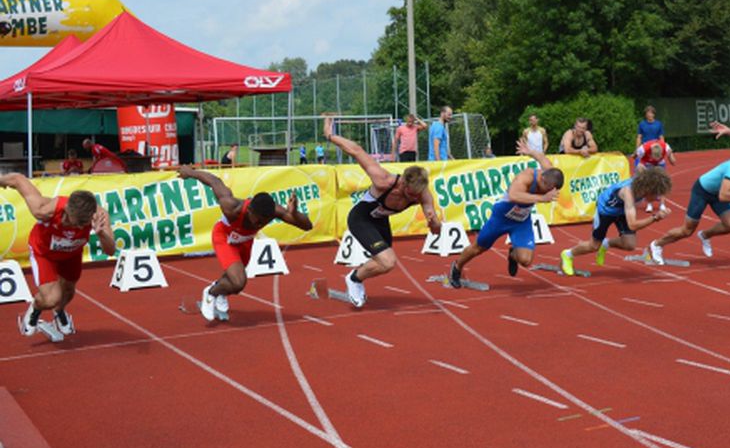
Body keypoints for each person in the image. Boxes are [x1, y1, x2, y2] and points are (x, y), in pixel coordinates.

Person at [325, 116, 442, 308]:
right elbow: (356, 150)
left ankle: (358, 275)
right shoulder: (383, 180)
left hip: (380, 223)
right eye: (411, 195)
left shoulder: (422, 194)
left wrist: (434, 223)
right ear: (403, 183)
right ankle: (354, 279)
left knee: (382, 264)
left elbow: (437, 231)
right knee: (388, 261)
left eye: (417, 196)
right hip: (361, 218)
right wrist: (330, 136)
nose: (414, 199)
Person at [176, 166, 312, 321]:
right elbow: (215, 181)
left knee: (233, 279)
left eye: (265, 221)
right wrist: (191, 173)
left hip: (245, 242)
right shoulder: (232, 206)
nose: (260, 223)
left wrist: (294, 213)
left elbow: (307, 226)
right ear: (250, 211)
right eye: (259, 220)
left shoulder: (273, 211)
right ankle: (211, 293)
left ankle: (222, 292)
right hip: (224, 237)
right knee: (239, 282)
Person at [0, 174, 116, 337]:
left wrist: (102, 234)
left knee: (68, 292)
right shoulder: (45, 209)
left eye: (71, 221)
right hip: (44, 252)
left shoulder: (100, 217)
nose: (65, 220)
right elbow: (18, 180)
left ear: (85, 221)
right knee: (51, 299)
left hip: (71, 254)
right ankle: (35, 309)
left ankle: (59, 312)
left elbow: (110, 250)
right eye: (66, 215)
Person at [649, 122, 730, 264]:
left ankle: (705, 235)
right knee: (687, 231)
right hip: (702, 191)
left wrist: (728, 130)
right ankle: (657, 244)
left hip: (718, 192)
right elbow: (724, 196)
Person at [449, 138, 564, 287]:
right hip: (501, 217)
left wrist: (530, 152)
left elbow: (542, 157)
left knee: (526, 260)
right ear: (543, 180)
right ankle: (457, 267)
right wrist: (542, 197)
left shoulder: (550, 173)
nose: (552, 192)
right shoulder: (526, 177)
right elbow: (513, 195)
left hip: (521, 221)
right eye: (549, 189)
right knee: (478, 248)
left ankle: (512, 254)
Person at [560, 167, 672, 275]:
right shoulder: (628, 193)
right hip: (605, 211)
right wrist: (655, 218)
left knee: (630, 245)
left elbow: (641, 169)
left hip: (621, 210)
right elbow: (632, 225)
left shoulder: (644, 182)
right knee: (593, 246)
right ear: (647, 189)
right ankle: (568, 254)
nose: (657, 198)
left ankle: (606, 243)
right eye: (656, 195)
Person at [634, 139, 677, 211]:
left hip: (660, 163)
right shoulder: (643, 149)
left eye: (659, 157)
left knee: (662, 182)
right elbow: (636, 157)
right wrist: (640, 167)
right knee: (648, 182)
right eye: (655, 157)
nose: (656, 159)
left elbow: (673, 161)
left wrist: (671, 157)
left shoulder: (666, 147)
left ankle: (662, 204)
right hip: (647, 163)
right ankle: (649, 204)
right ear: (651, 154)